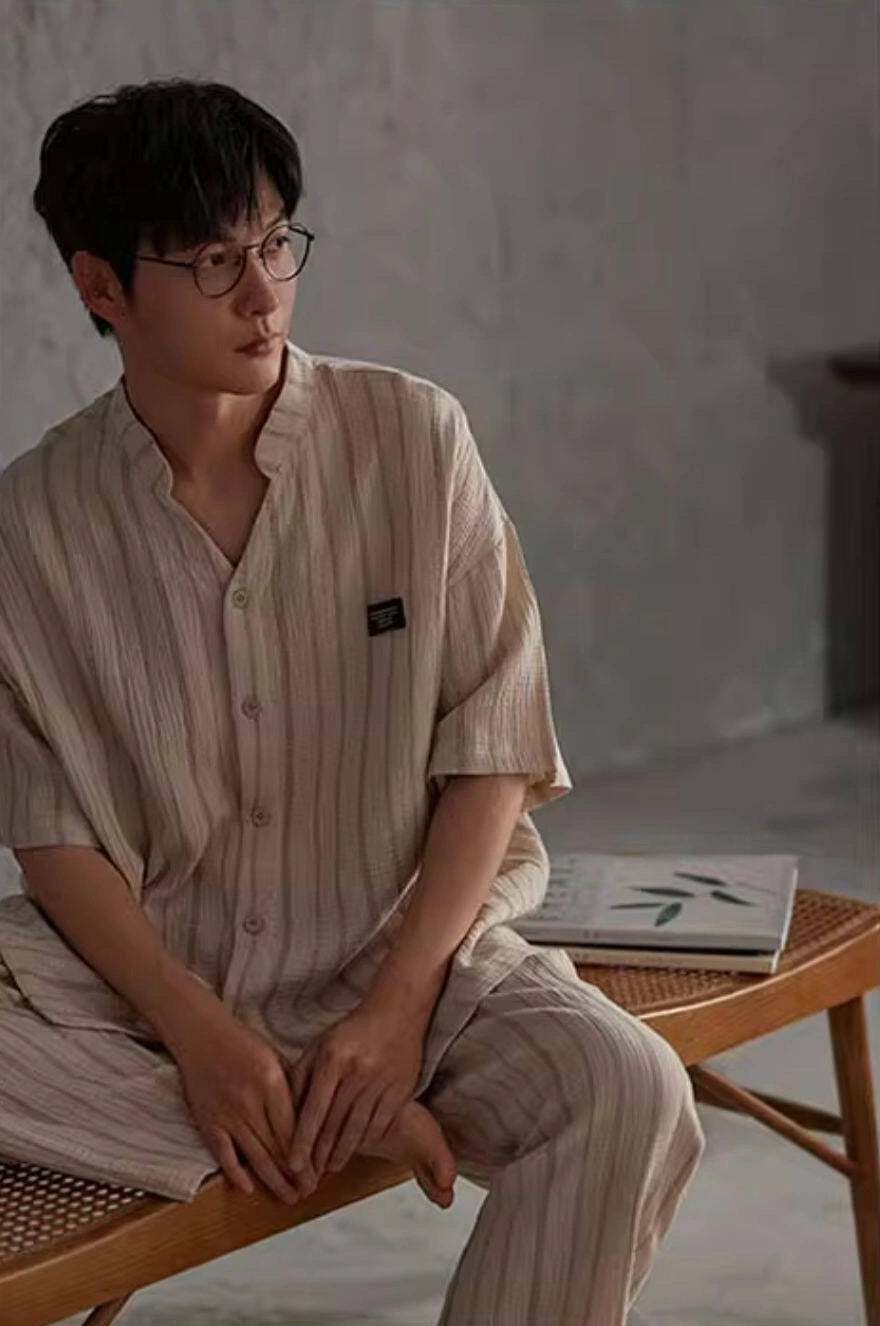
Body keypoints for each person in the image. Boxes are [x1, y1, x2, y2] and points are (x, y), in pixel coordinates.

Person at [0, 78, 705, 1323]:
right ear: (101, 287)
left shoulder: (413, 438)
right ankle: (316, 1115)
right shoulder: (32, 521)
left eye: (276, 243)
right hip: (143, 1000)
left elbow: (492, 745)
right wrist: (202, 1037)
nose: (262, 293)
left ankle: (317, 1102)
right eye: (213, 261)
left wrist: (394, 1017)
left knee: (628, 1092)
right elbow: (52, 836)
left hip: (407, 963)